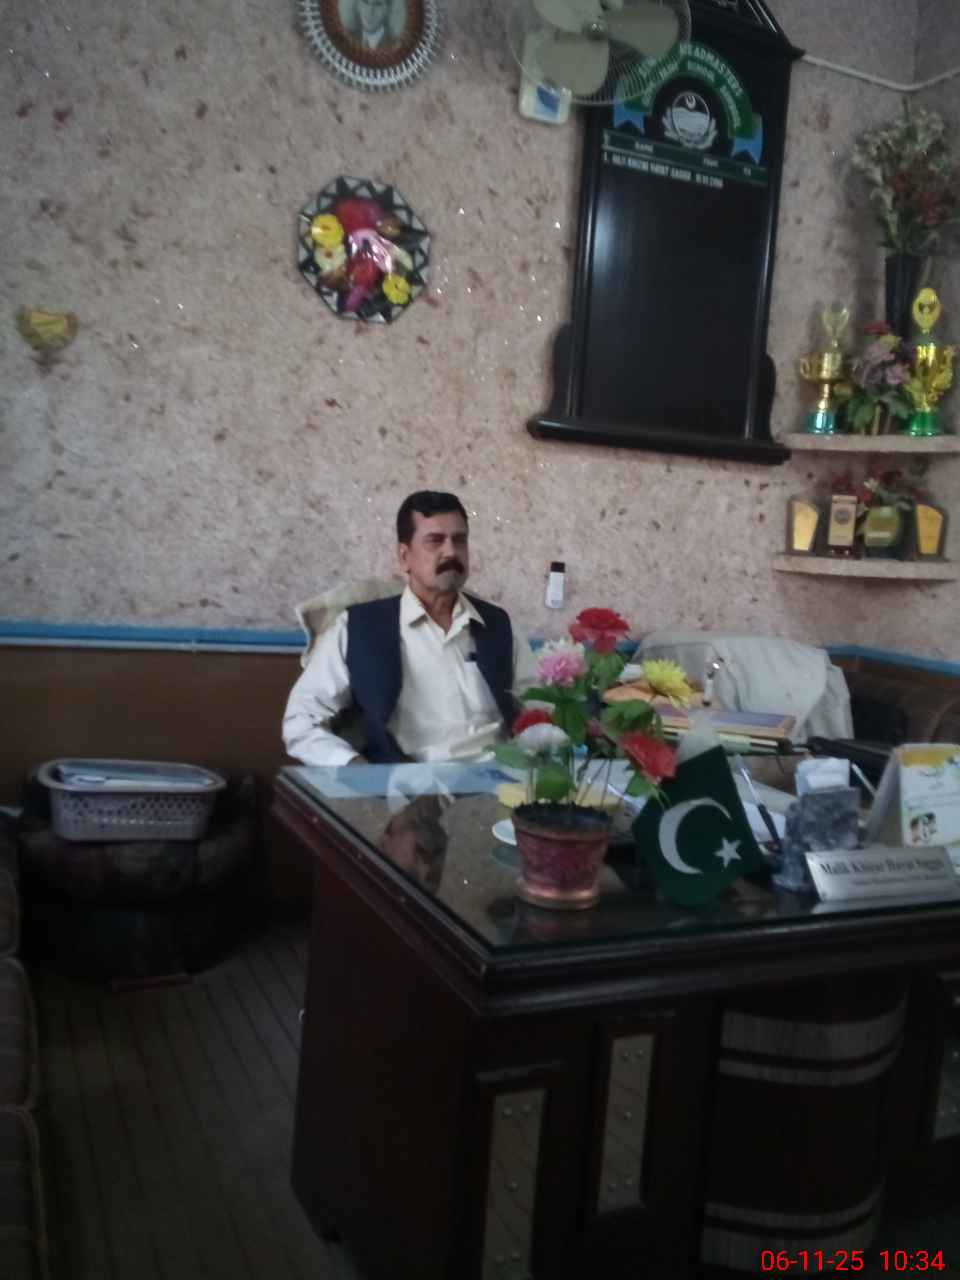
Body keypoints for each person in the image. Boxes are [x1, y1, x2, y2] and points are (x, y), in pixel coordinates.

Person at [282, 490, 531, 766]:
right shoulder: (359, 629)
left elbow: (541, 710)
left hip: (499, 781)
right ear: (404, 557)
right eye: (435, 541)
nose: (451, 552)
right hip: (407, 784)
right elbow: (301, 721)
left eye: (459, 540)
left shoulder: (499, 626)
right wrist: (354, 767)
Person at [338, 0, 404, 50]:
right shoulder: (346, 39)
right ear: (358, 5)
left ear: (388, 10)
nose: (370, 11)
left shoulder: (395, 45)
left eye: (378, 4)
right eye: (365, 2)